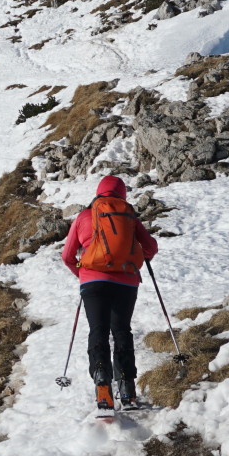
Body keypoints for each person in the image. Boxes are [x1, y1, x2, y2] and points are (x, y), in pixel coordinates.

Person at [61, 175, 159, 411]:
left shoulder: (85, 216)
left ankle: (102, 384)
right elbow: (150, 247)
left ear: (98, 192)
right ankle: (127, 390)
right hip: (126, 283)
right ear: (122, 194)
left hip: (93, 282)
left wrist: (82, 274)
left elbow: (67, 255)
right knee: (122, 331)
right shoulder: (129, 216)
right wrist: (134, 260)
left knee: (99, 330)